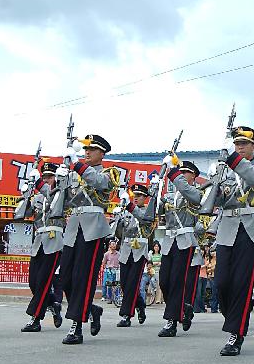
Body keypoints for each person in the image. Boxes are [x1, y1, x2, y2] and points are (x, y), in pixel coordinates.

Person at [204, 125, 254, 356]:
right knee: (222, 282)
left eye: (244, 144)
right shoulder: (224, 170)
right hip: (227, 227)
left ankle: (236, 333)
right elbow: (211, 197)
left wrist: (232, 159)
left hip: (249, 229)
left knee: (241, 283)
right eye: (236, 144)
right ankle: (233, 317)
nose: (240, 147)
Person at [51, 133, 119, 345]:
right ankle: (89, 309)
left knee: (83, 277)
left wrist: (76, 165)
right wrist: (62, 178)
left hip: (93, 228)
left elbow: (99, 182)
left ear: (102, 153)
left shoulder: (110, 172)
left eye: (91, 149)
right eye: (85, 149)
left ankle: (76, 325)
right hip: (73, 228)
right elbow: (62, 198)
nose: (87, 152)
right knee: (66, 278)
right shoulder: (76, 174)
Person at [154, 158, 205, 338]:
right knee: (164, 281)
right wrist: (156, 190)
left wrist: (173, 172)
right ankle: (183, 308)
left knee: (177, 280)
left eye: (185, 173)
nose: (181, 176)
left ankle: (171, 321)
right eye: (180, 173)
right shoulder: (169, 197)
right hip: (169, 241)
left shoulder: (196, 193)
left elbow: (192, 197)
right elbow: (154, 214)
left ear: (193, 177)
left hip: (185, 240)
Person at [18, 161, 65, 332]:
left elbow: (53, 198)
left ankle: (35, 318)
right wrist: (26, 194)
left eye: (49, 177)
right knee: (34, 282)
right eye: (43, 177)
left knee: (44, 281)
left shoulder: (61, 194)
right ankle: (53, 304)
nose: (46, 180)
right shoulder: (37, 197)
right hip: (38, 242)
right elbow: (23, 214)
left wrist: (38, 185)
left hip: (54, 241)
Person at [112, 183, 155, 327]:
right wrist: (118, 218)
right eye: (134, 196)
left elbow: (144, 220)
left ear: (145, 198)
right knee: (124, 283)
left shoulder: (148, 212)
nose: (136, 198)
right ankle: (140, 304)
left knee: (132, 283)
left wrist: (130, 206)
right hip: (125, 250)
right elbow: (118, 234)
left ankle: (126, 315)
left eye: (139, 196)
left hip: (139, 251)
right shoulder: (127, 213)